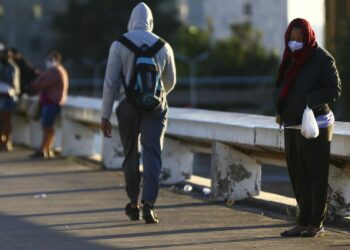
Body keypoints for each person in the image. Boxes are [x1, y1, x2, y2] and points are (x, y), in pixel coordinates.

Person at [100, 2, 176, 224]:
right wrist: (154, 96)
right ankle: (149, 205)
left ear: (131, 21)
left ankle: (133, 203)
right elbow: (170, 82)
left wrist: (105, 115)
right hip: (156, 107)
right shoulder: (164, 46)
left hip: (127, 106)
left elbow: (110, 84)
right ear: (151, 22)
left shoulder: (119, 44)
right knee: (153, 155)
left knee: (131, 154)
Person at [274, 18, 341, 238]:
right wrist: (280, 109)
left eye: (299, 39)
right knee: (298, 174)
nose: (294, 42)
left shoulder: (322, 59)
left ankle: (316, 224)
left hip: (316, 124)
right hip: (292, 123)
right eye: (291, 39)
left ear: (308, 37)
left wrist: (308, 102)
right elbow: (282, 86)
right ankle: (302, 221)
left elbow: (334, 88)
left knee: (315, 174)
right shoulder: (289, 59)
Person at [31, 51, 69, 158]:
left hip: (52, 103)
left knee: (47, 126)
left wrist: (36, 78)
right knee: (48, 126)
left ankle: (45, 148)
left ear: (56, 60)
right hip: (52, 102)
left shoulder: (55, 71)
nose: (48, 61)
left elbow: (41, 83)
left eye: (50, 59)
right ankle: (46, 148)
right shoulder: (58, 70)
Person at [0, 44, 20, 152]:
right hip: (2, 97)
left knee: (6, 121)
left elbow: (12, 84)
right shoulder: (4, 66)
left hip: (8, 98)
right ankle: (2, 141)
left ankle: (7, 142)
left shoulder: (12, 67)